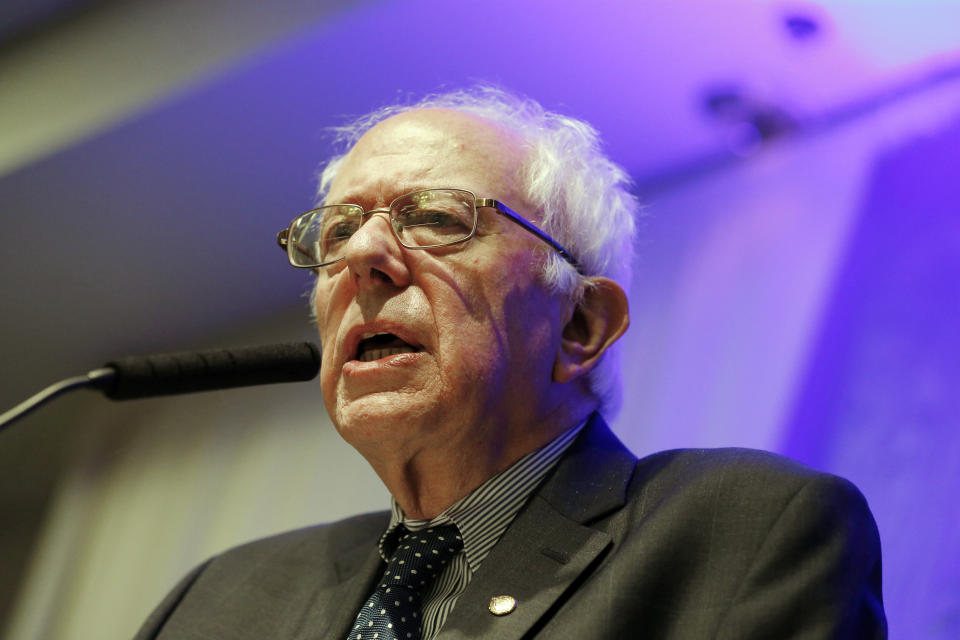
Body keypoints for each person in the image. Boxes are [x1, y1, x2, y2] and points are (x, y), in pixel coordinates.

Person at [135, 87, 886, 639]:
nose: (363, 256)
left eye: (435, 219)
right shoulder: (220, 602)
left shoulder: (738, 528)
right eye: (338, 231)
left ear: (579, 325)